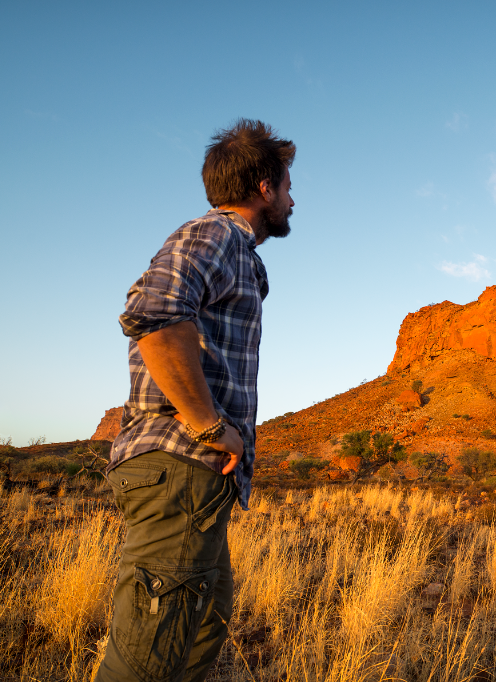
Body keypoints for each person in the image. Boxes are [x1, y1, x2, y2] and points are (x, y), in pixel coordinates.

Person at [95, 119, 295, 682]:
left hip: (196, 481)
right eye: (286, 187)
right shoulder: (215, 235)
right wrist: (209, 426)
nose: (292, 199)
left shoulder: (238, 253)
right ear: (263, 188)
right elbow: (154, 319)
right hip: (182, 464)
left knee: (207, 624)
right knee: (145, 660)